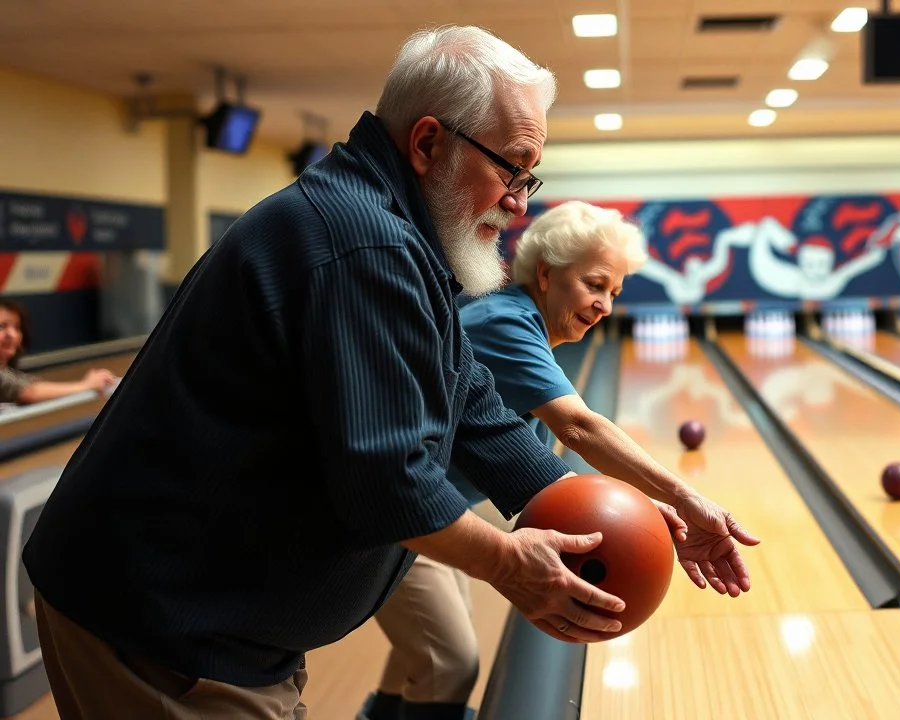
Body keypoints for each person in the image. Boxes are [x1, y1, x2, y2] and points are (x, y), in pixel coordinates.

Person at [21, 25, 755, 719]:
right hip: (162, 627)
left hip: (209, 618)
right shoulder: (364, 245)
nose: (516, 202)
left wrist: (612, 511)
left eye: (530, 177)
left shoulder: (398, 238)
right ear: (429, 143)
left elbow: (473, 404)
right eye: (511, 169)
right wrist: (508, 563)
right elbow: (385, 477)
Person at [360, 201, 760, 720]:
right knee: (451, 661)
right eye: (595, 285)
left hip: (437, 508)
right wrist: (684, 496)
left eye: (614, 293)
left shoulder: (519, 320)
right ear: (546, 274)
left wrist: (640, 518)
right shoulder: (503, 323)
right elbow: (580, 426)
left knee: (426, 648)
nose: (605, 307)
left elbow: (544, 464)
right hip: (401, 507)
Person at [0, 299, 118, 406]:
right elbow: (29, 392)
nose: (12, 335)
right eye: (2, 327)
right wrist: (87, 385)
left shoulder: (10, 373)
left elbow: (34, 385)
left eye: (17, 328)